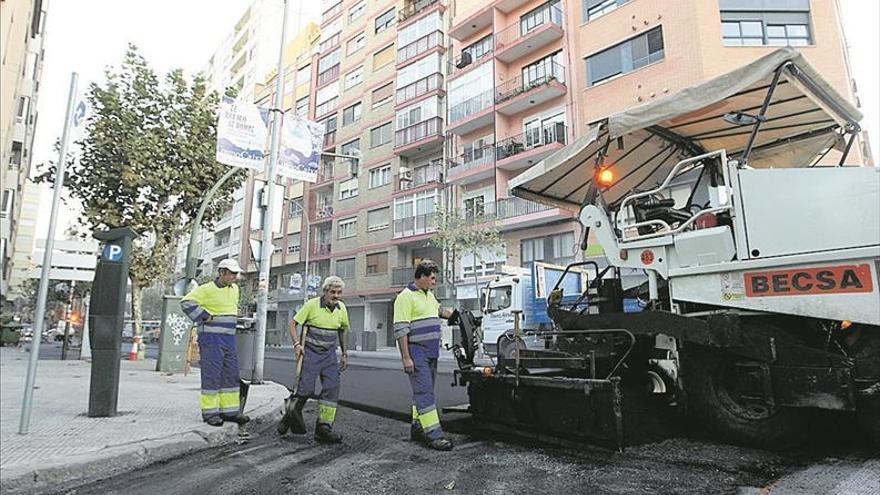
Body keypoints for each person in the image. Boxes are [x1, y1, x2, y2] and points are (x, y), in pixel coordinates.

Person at [393, 260, 458, 451]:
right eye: (432, 277)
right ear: (421, 276)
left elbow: (440, 311)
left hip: (431, 352)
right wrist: (406, 357)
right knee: (425, 391)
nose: (434, 281)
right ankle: (434, 435)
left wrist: (457, 315)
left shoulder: (428, 295)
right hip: (416, 351)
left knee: (422, 392)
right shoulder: (405, 297)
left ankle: (417, 426)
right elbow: (401, 329)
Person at [279, 276, 350, 443]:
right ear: (325, 292)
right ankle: (290, 416)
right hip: (310, 354)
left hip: (329, 356)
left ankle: (324, 428)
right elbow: (293, 324)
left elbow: (344, 330)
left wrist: (345, 354)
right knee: (305, 389)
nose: (336, 295)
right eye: (333, 292)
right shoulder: (312, 305)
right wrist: (297, 344)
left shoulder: (342, 308)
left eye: (339, 292)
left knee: (332, 388)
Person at [180, 258, 249, 427]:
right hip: (211, 339)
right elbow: (186, 302)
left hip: (229, 339)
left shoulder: (235, 289)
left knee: (230, 374)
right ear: (221, 272)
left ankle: (230, 411)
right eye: (232, 273)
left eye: (236, 273)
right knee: (212, 375)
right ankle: (210, 413)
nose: (235, 276)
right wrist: (204, 316)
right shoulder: (206, 289)